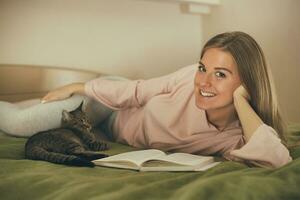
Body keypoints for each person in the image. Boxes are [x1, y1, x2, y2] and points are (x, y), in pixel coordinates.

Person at [0, 31, 292, 168]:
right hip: (108, 104)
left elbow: (276, 160)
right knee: (22, 123)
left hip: (104, 133)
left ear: (248, 85)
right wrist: (82, 86)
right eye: (203, 68)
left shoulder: (237, 139)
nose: (202, 81)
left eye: (220, 74)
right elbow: (137, 91)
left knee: (44, 127)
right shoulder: (186, 77)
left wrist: (242, 102)